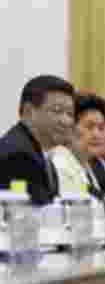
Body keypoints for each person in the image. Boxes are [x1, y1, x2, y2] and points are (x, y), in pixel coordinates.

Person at [0, 75, 74, 204]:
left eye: (70, 113)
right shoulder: (17, 155)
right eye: (57, 111)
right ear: (29, 112)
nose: (66, 121)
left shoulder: (41, 155)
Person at [50, 94, 105, 200]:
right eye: (90, 127)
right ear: (69, 128)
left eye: (101, 128)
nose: (97, 134)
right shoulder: (59, 165)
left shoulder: (87, 166)